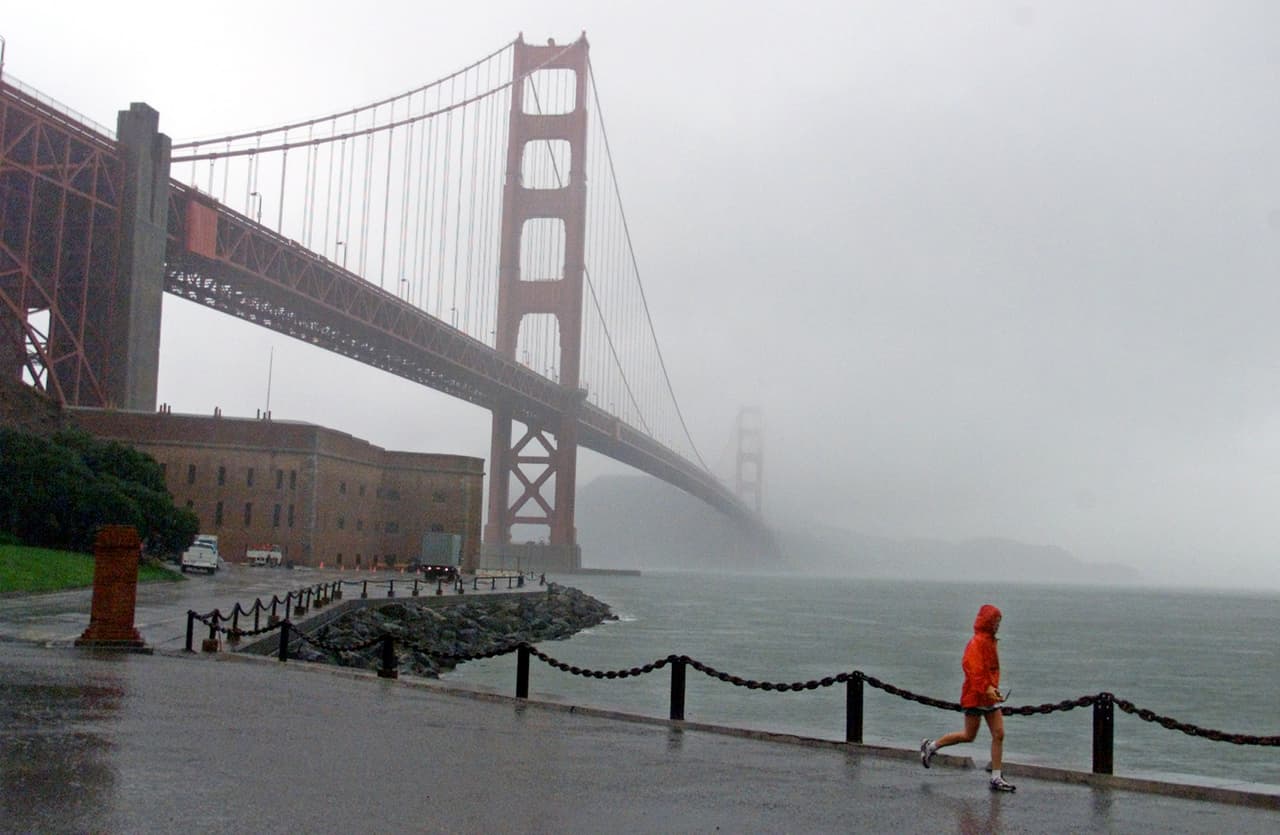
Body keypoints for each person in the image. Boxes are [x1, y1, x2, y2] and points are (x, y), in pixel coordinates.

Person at [920, 604, 1016, 792]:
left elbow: (989, 671)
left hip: (988, 697)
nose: (998, 625)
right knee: (968, 735)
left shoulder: (990, 642)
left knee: (999, 734)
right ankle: (931, 746)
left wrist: (993, 690)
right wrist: (987, 688)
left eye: (999, 622)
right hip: (974, 696)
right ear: (988, 622)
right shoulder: (976, 643)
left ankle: (996, 777)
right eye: (996, 621)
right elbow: (973, 670)